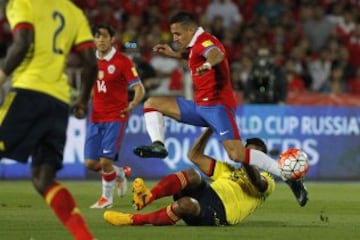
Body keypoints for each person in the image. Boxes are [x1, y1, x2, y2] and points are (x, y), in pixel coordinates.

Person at [133, 11, 307, 206]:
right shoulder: (196, 44)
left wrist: (208, 64)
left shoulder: (204, 42)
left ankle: (289, 176)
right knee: (152, 103)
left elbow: (216, 54)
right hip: (200, 106)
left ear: (191, 30)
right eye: (173, 34)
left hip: (217, 107)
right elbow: (195, 54)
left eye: (178, 34)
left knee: (236, 154)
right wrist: (175, 54)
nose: (174, 38)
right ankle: (159, 145)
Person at [0, 0, 97, 239]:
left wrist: (1, 75)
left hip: (28, 92)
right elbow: (91, 62)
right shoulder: (73, 12)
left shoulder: (22, 3)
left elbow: (23, 43)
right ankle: (85, 237)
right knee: (43, 179)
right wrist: (83, 100)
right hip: (58, 101)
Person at [103, 128, 276, 226]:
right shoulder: (229, 170)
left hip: (220, 213)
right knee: (192, 174)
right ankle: (147, 197)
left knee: (186, 204)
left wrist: (245, 157)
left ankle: (133, 219)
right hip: (208, 194)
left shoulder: (268, 179)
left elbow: (258, 183)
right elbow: (194, 156)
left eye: (255, 155)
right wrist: (210, 129)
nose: (250, 157)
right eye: (248, 152)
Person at [85, 24, 145, 209]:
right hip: (95, 117)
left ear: (112, 39)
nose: (101, 40)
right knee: (90, 163)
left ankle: (106, 199)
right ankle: (120, 173)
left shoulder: (123, 61)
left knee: (105, 161)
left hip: (116, 116)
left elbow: (139, 88)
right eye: (97, 36)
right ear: (94, 40)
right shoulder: (89, 61)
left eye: (105, 36)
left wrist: (133, 104)